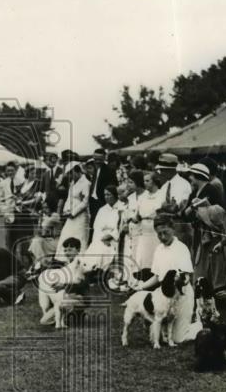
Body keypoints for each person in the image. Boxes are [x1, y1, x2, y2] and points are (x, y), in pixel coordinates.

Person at [133, 215, 198, 345]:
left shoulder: (181, 248)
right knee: (164, 333)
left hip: (182, 296)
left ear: (172, 229)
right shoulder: (158, 249)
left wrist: (173, 287)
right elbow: (157, 277)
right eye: (159, 234)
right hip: (164, 295)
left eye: (165, 233)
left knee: (179, 338)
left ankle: (198, 325)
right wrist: (140, 287)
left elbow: (186, 277)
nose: (162, 237)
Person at [38, 236, 88, 327]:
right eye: (65, 250)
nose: (67, 252)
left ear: (78, 250)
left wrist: (64, 285)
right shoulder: (67, 265)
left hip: (78, 298)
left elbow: (83, 284)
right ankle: (60, 315)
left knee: (63, 302)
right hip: (65, 297)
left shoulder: (82, 263)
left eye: (70, 249)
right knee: (44, 321)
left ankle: (76, 313)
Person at [81, 185, 120, 273]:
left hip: (113, 238)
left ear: (115, 195)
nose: (106, 197)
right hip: (101, 238)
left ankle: (99, 271)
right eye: (105, 195)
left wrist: (110, 236)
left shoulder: (120, 208)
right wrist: (101, 239)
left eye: (109, 195)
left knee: (104, 250)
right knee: (95, 248)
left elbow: (120, 226)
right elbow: (97, 227)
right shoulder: (102, 210)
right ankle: (91, 271)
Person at [57, 161, 91, 260]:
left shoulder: (86, 183)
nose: (70, 176)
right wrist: (66, 210)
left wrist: (73, 213)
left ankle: (79, 260)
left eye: (71, 173)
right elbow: (69, 198)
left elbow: (85, 202)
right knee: (66, 234)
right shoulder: (72, 183)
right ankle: (64, 260)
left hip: (80, 216)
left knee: (79, 237)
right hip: (70, 216)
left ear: (77, 171)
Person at [87, 148, 118, 233]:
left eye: (99, 159)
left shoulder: (110, 170)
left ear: (104, 158)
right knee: (93, 225)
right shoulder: (95, 169)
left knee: (101, 226)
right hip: (93, 201)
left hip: (103, 201)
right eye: (95, 159)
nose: (97, 161)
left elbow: (113, 187)